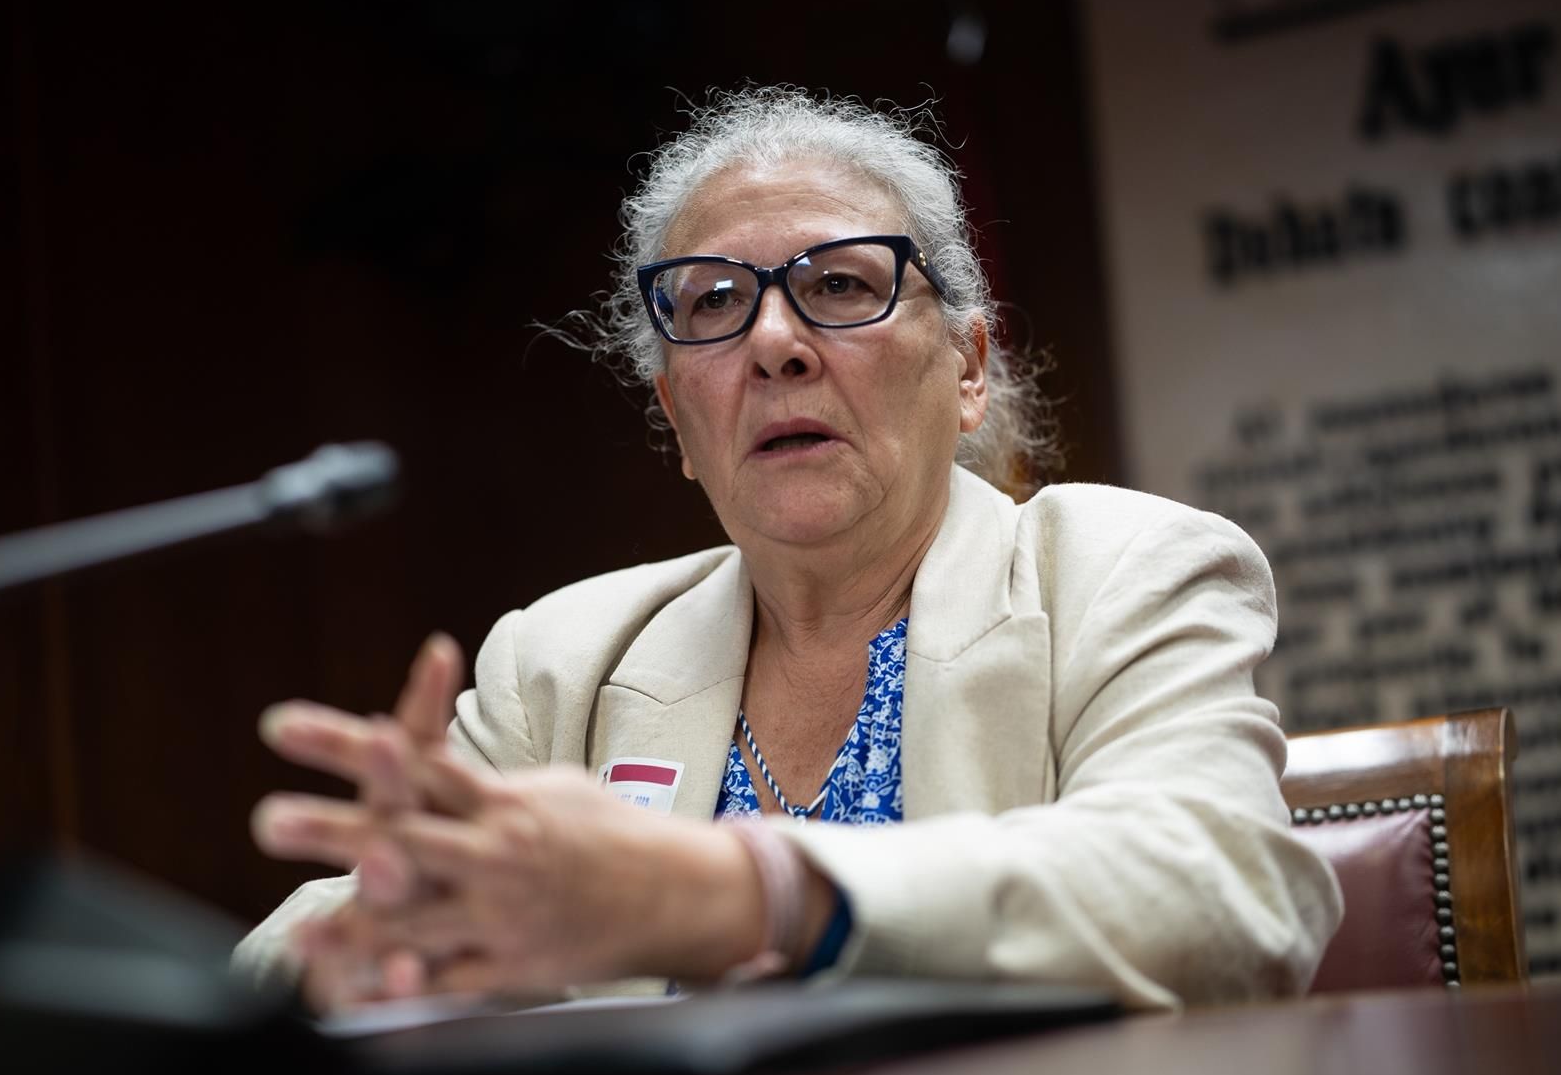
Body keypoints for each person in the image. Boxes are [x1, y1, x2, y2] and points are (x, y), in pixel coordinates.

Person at [236, 87, 1343, 1011]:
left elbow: (1222, 896)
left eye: (840, 285)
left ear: (967, 368)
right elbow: (291, 959)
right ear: (678, 417)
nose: (774, 344)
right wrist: (379, 947)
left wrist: (752, 891)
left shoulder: (1126, 571)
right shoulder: (559, 661)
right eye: (714, 303)